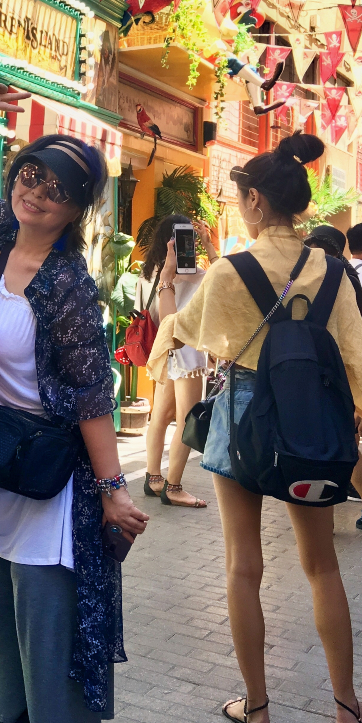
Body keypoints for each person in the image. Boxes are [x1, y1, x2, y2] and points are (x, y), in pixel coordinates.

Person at [148, 133, 362, 723]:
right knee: (322, 566)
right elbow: (356, 359)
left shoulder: (230, 271)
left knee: (242, 567)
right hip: (310, 424)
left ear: (256, 200)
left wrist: (163, 331)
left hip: (243, 424)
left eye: (239, 201)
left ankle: (256, 710)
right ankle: (345, 705)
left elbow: (178, 334)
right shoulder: (334, 270)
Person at [0, 85, 149, 723]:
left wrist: (112, 489)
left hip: (47, 477)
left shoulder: (67, 284)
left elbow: (90, 395)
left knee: (43, 619)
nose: (37, 192)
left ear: (77, 208)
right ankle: (17, 718)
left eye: (57, 190)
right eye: (30, 175)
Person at [303, 225, 362, 530]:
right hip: (336, 371)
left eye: (315, 249)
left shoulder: (334, 279)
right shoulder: (343, 276)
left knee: (328, 443)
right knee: (343, 442)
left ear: (332, 251)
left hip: (327, 372)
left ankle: (331, 509)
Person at [139, 214, 218, 508]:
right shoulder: (196, 275)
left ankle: (153, 477)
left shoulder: (150, 273)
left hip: (165, 353)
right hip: (187, 352)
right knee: (188, 421)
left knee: (159, 417)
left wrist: (167, 275)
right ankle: (173, 487)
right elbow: (223, 279)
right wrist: (210, 249)